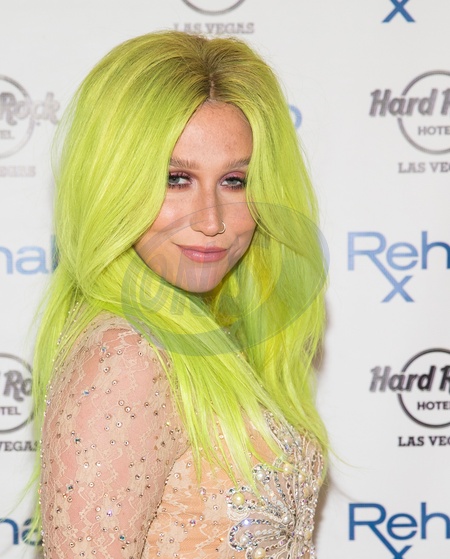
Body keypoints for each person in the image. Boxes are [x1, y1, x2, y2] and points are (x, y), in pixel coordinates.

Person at [33, 31, 328, 559]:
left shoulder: (221, 334)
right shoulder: (126, 355)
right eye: (176, 178)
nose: (211, 221)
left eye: (234, 181)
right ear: (112, 184)